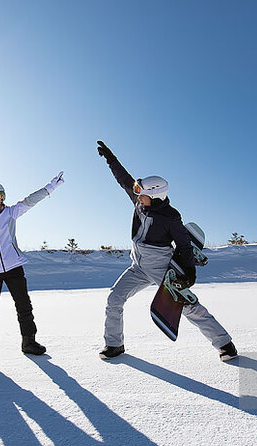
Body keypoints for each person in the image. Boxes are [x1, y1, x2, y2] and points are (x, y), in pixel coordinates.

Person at [96, 141, 237, 361]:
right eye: (137, 192)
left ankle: (225, 344)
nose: (137, 195)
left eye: (141, 193)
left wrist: (189, 271)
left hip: (161, 267)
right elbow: (124, 180)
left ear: (155, 195)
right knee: (114, 298)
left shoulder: (171, 217)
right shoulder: (139, 203)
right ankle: (114, 344)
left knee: (189, 307)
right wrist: (111, 159)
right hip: (138, 265)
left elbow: (182, 245)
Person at [0, 172, 64, 355]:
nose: (1, 200)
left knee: (24, 306)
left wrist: (51, 187)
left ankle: (29, 342)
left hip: (14, 266)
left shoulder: (9, 213)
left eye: (3, 196)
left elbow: (30, 201)